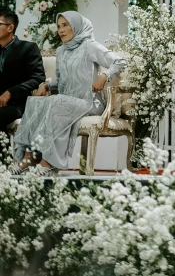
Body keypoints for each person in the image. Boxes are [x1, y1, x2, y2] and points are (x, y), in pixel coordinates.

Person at [11, 11, 126, 176]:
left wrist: (104, 76)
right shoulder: (61, 51)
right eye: (59, 26)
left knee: (56, 102)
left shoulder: (90, 46)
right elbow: (62, 81)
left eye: (65, 25)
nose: (61, 30)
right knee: (35, 101)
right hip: (67, 100)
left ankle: (47, 162)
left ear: (76, 26)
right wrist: (46, 85)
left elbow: (120, 61)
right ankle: (29, 156)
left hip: (88, 102)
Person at [0, 10, 46, 140]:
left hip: (19, 104)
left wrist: (10, 92)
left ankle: (5, 159)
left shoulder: (28, 48)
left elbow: (38, 77)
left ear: (10, 27)